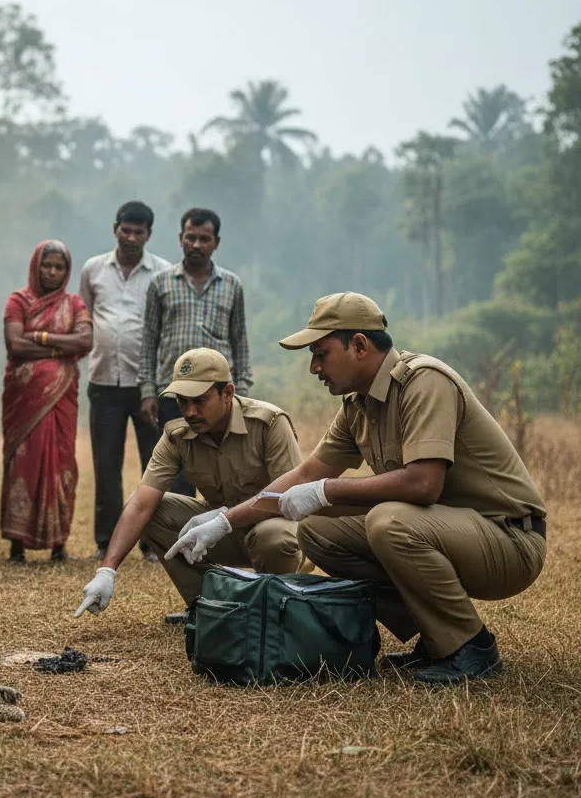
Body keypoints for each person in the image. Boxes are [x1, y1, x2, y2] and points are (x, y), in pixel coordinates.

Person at [167, 293, 547, 685]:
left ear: (360, 345)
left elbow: (423, 483)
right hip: (450, 534)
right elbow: (305, 475)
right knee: (317, 532)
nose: (314, 367)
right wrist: (225, 523)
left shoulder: (425, 382)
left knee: (388, 521)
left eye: (321, 353)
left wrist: (328, 491)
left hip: (509, 540)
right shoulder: (358, 405)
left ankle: (472, 646)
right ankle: (435, 634)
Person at [75, 348, 306, 624]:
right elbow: (141, 504)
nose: (190, 412)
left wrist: (225, 519)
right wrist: (107, 571)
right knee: (155, 510)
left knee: (274, 538)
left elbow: (289, 499)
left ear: (228, 393)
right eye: (182, 402)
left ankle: (273, 608)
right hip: (222, 534)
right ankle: (207, 605)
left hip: (279, 530)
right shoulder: (178, 435)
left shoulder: (268, 424)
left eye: (199, 401)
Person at [78, 201, 171, 563]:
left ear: (149, 234)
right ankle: (106, 542)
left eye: (139, 232)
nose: (132, 237)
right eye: (126, 230)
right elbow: (86, 314)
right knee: (106, 465)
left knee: (155, 465)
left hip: (148, 385)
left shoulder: (162, 273)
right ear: (115, 228)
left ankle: (153, 543)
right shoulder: (93, 270)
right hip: (103, 382)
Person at [138, 207, 253, 495]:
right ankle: (175, 538)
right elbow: (149, 341)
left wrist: (243, 391)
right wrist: (148, 391)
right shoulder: (161, 283)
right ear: (181, 238)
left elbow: (240, 340)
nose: (197, 245)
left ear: (216, 242)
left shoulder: (231, 285)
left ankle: (222, 537)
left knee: (223, 468)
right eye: (191, 237)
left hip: (218, 395)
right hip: (173, 392)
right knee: (177, 474)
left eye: (204, 238)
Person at [1, 240, 93, 562]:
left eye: (59, 267)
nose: (52, 272)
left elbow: (85, 340)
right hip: (24, 400)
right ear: (35, 266)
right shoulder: (18, 300)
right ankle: (16, 545)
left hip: (62, 400)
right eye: (47, 265)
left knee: (62, 463)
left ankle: (59, 544)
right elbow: (15, 344)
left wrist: (39, 338)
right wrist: (62, 350)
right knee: (23, 464)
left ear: (67, 272)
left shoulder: (75, 304)